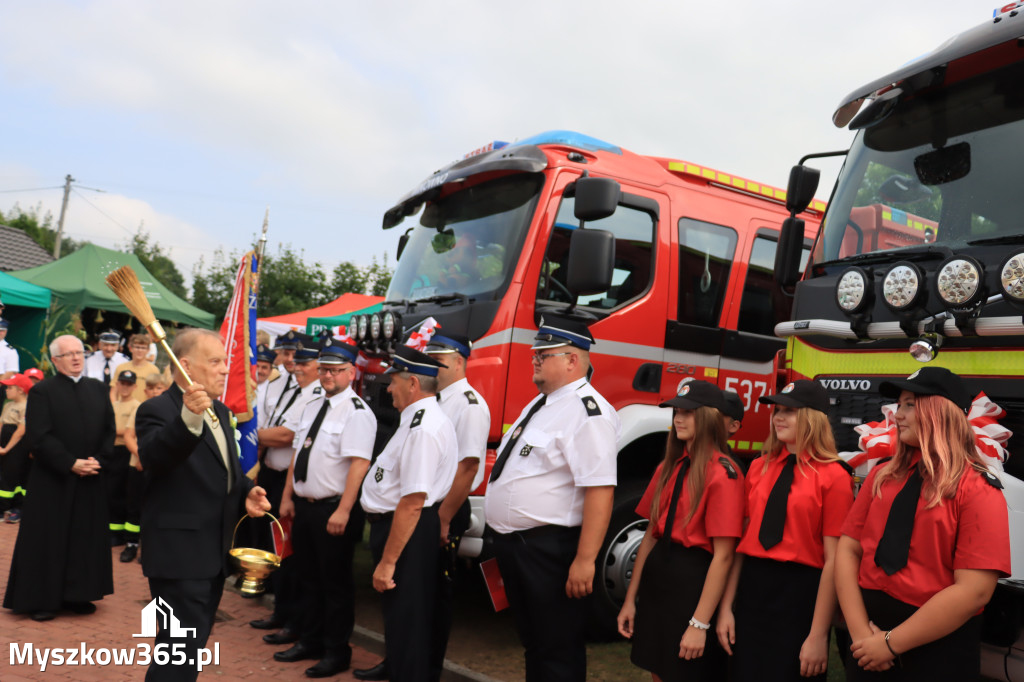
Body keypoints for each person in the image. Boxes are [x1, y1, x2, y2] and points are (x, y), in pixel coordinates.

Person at [835, 367, 1010, 679]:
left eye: (910, 405)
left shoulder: (979, 489)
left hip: (937, 648)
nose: (897, 415)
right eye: (899, 405)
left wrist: (889, 645)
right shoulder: (881, 475)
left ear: (940, 412)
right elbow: (848, 550)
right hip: (867, 636)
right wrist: (861, 634)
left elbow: (974, 592)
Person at [483, 317, 620, 682]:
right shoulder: (541, 404)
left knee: (558, 649)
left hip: (550, 551)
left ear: (573, 360)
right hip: (519, 549)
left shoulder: (588, 412)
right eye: (535, 353)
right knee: (535, 644)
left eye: (544, 354)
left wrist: (586, 560)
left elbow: (600, 489)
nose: (535, 359)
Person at [134, 328, 270, 682]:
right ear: (187, 366)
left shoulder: (222, 411)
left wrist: (246, 491)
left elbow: (223, 468)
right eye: (216, 362)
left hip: (211, 552)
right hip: (179, 554)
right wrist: (188, 419)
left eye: (225, 361)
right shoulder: (158, 409)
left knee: (189, 649)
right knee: (178, 651)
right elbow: (155, 458)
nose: (226, 369)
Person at [716, 380, 854, 681]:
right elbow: (744, 541)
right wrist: (726, 607)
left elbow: (834, 561)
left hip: (799, 594)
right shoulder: (758, 467)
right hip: (753, 589)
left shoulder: (835, 476)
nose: (778, 417)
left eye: (789, 411)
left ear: (812, 418)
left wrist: (818, 634)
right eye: (777, 410)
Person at [618, 380, 744, 681]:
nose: (678, 418)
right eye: (676, 411)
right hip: (659, 577)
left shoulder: (723, 473)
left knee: (685, 671)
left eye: (688, 412)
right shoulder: (668, 466)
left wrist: (699, 624)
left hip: (694, 582)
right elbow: (650, 534)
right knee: (658, 669)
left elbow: (724, 556)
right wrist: (630, 600)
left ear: (710, 417)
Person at [272, 339, 376, 678]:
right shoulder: (314, 405)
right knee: (308, 579)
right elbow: (298, 456)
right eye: (324, 369)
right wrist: (287, 497)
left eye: (335, 370)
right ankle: (311, 640)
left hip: (333, 509)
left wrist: (344, 511)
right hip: (304, 506)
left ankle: (336, 652)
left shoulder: (357, 412)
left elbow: (359, 465)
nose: (328, 375)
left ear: (351, 372)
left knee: (335, 586)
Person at [359, 344, 457, 682]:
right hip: (404, 527)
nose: (388, 389)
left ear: (412, 383)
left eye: (393, 382)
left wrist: (388, 562)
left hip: (407, 529)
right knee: (404, 622)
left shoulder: (423, 427)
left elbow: (413, 502)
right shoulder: (415, 418)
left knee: (408, 624)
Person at [2, 334, 115, 621]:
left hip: (90, 477)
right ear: (55, 360)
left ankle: (78, 595)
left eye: (80, 352)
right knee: (49, 539)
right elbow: (39, 436)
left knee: (83, 539)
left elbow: (108, 431)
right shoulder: (44, 392)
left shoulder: (99, 389)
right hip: (54, 479)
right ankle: (43, 600)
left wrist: (98, 460)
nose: (77, 357)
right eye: (69, 354)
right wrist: (69, 463)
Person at [252, 337, 322, 641]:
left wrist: (249, 435)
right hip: (270, 473)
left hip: (288, 481)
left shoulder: (315, 395)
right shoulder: (288, 387)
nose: (296, 366)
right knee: (275, 549)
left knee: (290, 552)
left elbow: (285, 436)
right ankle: (281, 611)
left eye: (303, 363)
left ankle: (293, 619)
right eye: (292, 359)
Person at [109, 369, 142, 557]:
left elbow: (125, 432)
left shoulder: (136, 406)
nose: (125, 387)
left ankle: (124, 536)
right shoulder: (114, 405)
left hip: (126, 452)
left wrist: (114, 431)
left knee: (124, 493)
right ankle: (114, 532)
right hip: (112, 451)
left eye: (129, 384)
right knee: (112, 491)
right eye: (122, 383)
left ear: (135, 387)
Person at [0, 373, 31, 523]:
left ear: (20, 390)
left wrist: (6, 449)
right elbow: (1, 424)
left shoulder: (27, 407)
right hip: (4, 445)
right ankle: (7, 506)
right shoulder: (8, 405)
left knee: (14, 476)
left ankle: (15, 507)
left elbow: (20, 431)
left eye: (10, 387)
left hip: (16, 447)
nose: (6, 389)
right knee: (4, 474)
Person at [112, 333, 159, 403]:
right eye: (137, 347)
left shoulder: (154, 370)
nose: (140, 350)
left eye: (143, 348)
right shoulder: (121, 367)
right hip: (122, 410)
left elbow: (156, 395)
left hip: (143, 410)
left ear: (148, 350)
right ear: (131, 348)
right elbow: (113, 392)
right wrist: (115, 408)